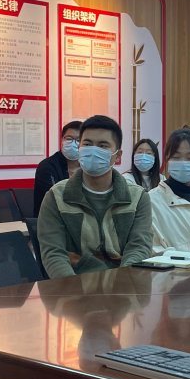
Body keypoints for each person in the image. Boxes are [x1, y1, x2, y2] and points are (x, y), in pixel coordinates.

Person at [38, 114, 153, 277]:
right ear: (79, 149)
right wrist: (73, 289)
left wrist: (123, 285)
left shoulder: (138, 198)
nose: (93, 150)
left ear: (117, 155)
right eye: (87, 144)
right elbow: (54, 254)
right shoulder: (56, 197)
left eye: (103, 146)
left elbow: (139, 248)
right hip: (74, 286)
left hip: (123, 284)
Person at [33, 121, 82, 216]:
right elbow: (56, 199)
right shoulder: (47, 166)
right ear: (62, 140)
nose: (73, 143)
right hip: (50, 218)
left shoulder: (88, 167)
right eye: (69, 139)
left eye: (79, 140)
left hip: (81, 218)